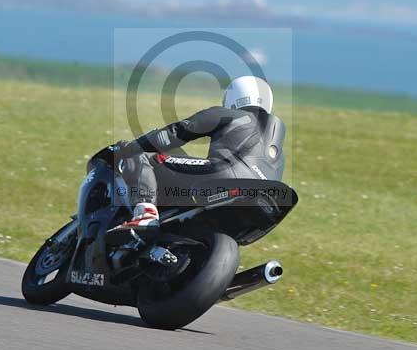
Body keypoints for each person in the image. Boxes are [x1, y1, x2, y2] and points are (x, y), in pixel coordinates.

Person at [111, 75, 286, 232]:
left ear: (234, 97)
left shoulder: (229, 114)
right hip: (262, 198)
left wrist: (132, 146)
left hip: (223, 175)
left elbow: (173, 134)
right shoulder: (278, 151)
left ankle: (145, 215)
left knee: (143, 158)